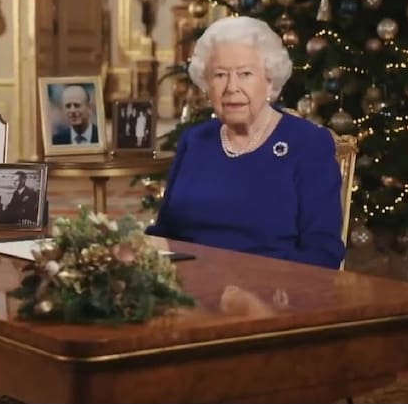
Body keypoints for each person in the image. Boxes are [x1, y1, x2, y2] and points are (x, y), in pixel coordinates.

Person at [146, 16, 344, 269]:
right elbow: (165, 233)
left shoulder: (308, 144)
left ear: (269, 80)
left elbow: (323, 252)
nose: (231, 87)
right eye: (220, 75)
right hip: (188, 283)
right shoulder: (195, 141)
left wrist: (255, 282)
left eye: (245, 74)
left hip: (271, 287)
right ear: (207, 85)